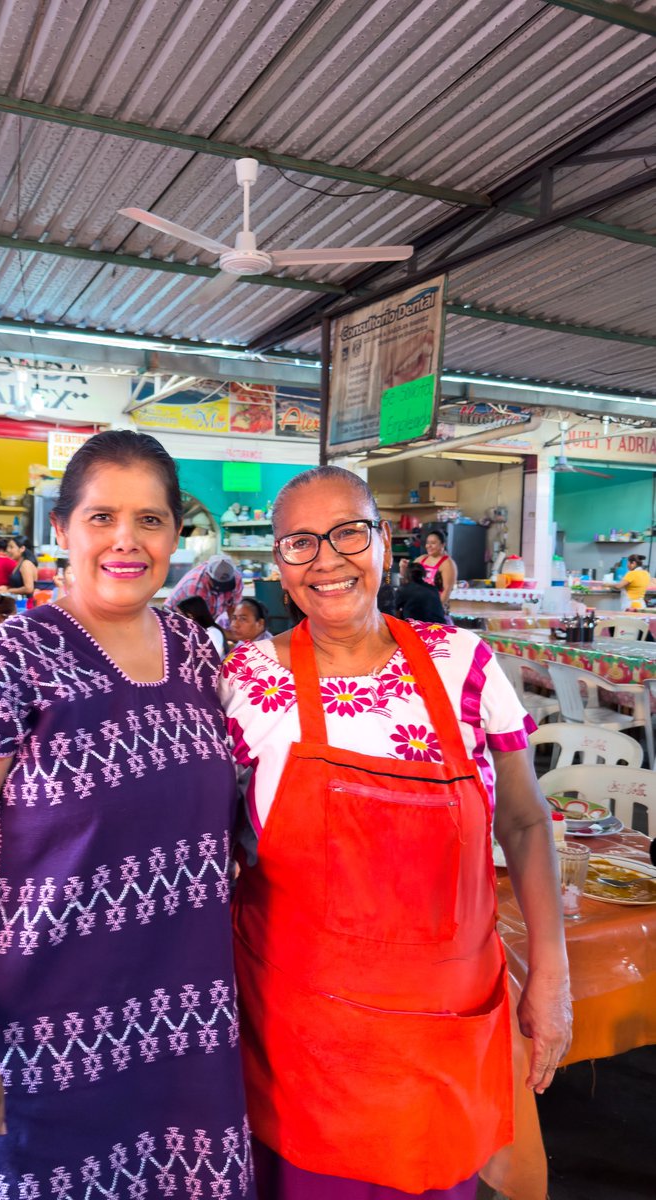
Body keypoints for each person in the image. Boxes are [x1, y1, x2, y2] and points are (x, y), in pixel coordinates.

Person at [0, 430, 254, 1199]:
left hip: (186, 1032)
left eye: (150, 520)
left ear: (176, 535)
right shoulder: (3, 661)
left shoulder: (197, 656)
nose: (126, 541)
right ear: (61, 531)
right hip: (39, 1043)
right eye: (101, 518)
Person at [219, 465, 571, 1200]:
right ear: (279, 565)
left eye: (349, 531)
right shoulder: (244, 680)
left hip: (444, 1034)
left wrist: (552, 974)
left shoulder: (462, 663)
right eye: (299, 543)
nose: (327, 559)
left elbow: (526, 821)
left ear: (383, 542)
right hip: (302, 1039)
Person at [166, 553, 243, 626]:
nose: (221, 590)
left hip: (204, 618)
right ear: (208, 575)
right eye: (218, 584)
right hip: (176, 617)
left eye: (226, 585)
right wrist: (228, 635)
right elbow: (200, 623)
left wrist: (234, 628)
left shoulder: (237, 579)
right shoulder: (196, 585)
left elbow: (233, 608)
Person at [416, 528, 457, 607]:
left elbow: (446, 590)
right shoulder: (421, 559)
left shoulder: (447, 564)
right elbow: (408, 576)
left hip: (435, 607)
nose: (429, 546)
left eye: (433, 543)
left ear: (443, 545)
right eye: (427, 543)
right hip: (419, 605)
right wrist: (403, 567)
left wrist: (435, 609)